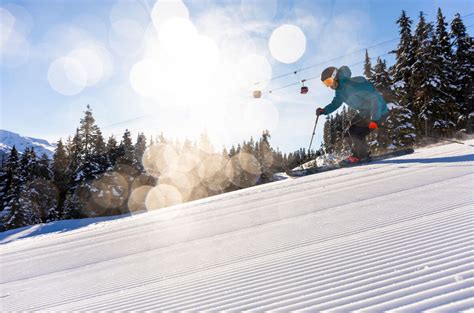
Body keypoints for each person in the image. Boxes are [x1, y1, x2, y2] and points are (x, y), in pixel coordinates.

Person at [316, 65, 390, 164]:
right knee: (348, 133)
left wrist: (375, 119)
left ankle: (360, 156)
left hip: (379, 111)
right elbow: (336, 103)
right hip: (365, 113)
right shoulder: (340, 91)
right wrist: (324, 110)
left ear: (335, 76)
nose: (329, 86)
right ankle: (361, 154)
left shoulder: (354, 84)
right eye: (326, 84)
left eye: (329, 82)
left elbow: (374, 99)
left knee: (355, 132)